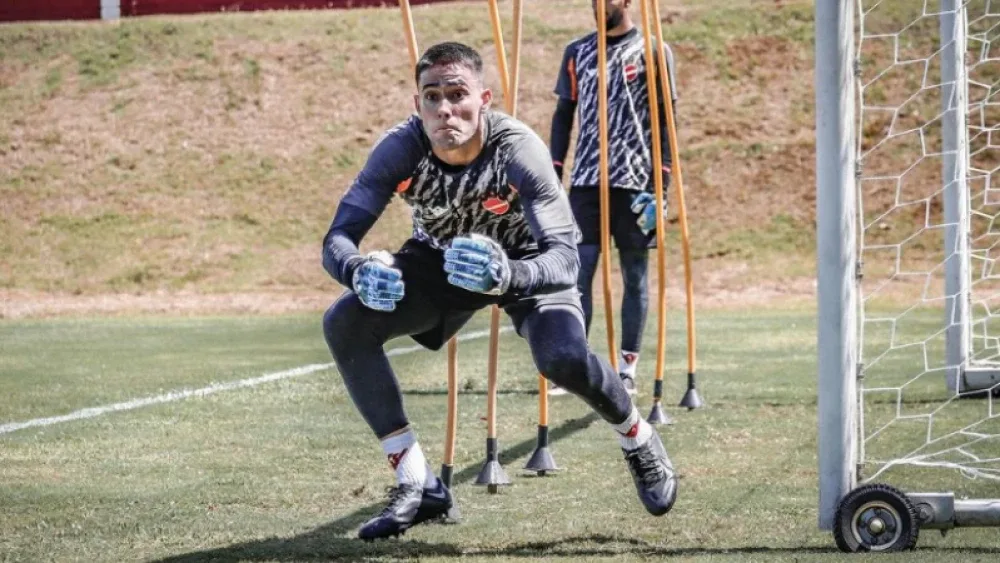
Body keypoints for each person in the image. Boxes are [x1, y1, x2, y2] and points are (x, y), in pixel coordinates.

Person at [321, 41, 677, 541]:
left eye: (457, 94)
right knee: (345, 322)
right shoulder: (401, 147)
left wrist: (511, 275)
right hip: (441, 261)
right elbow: (337, 237)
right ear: (417, 104)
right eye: (432, 96)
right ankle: (417, 483)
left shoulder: (517, 149)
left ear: (483, 98)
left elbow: (566, 256)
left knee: (561, 357)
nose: (445, 108)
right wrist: (356, 269)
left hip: (528, 264)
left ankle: (638, 438)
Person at [549, 0, 678, 396]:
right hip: (587, 179)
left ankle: (627, 368)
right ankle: (577, 363)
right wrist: (554, 170)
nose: (597, 5)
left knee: (634, 274)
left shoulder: (655, 50)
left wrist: (664, 184)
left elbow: (666, 118)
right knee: (579, 270)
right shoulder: (578, 51)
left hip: (636, 181)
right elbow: (563, 114)